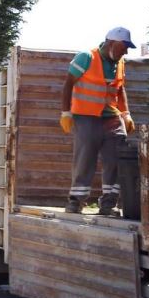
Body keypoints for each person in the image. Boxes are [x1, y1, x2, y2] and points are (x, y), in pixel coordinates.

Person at [60, 27, 136, 216]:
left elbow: (120, 89)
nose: (126, 51)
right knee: (85, 160)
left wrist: (126, 114)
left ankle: (108, 204)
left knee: (116, 158)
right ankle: (76, 202)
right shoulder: (86, 57)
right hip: (86, 117)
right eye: (124, 47)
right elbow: (68, 83)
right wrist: (66, 113)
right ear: (111, 43)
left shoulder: (119, 63)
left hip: (111, 117)